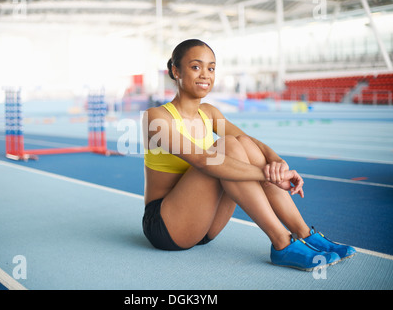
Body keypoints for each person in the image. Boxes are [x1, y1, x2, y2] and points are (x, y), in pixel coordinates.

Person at [142, 39, 355, 271]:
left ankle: (304, 233)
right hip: (166, 225)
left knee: (240, 143)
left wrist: (278, 162)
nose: (205, 75)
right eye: (196, 67)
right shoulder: (156, 117)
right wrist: (267, 175)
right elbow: (203, 161)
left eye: (211, 68)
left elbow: (251, 142)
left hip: (204, 225)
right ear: (175, 70)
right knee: (227, 148)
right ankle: (282, 243)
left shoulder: (209, 112)